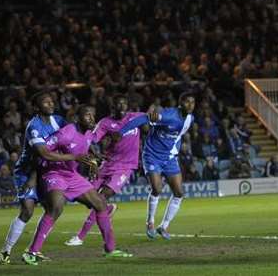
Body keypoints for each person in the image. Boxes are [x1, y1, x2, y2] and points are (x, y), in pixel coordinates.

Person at [22, 105, 133, 265]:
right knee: (56, 207)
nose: (92, 119)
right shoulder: (66, 132)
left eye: (93, 115)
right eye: (87, 115)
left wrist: (93, 160)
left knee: (100, 203)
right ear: (77, 118)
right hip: (55, 172)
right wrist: (34, 176)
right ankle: (32, 252)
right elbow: (43, 152)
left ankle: (110, 249)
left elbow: (85, 148)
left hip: (72, 176)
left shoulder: (89, 133)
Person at [65, 94, 150, 247]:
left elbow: (151, 118)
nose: (122, 107)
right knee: (89, 198)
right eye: (119, 104)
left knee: (101, 197)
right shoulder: (105, 123)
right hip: (107, 164)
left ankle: (80, 237)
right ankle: (108, 209)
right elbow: (92, 137)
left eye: (124, 104)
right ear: (113, 107)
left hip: (125, 166)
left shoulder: (135, 118)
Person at [0, 91, 71, 265]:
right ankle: (5, 251)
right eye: (46, 102)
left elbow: (71, 138)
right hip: (27, 171)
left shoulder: (59, 121)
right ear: (37, 107)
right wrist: (32, 178)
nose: (51, 104)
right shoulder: (34, 126)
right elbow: (41, 155)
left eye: (51, 101)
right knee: (27, 210)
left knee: (55, 208)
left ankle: (33, 250)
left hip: (46, 170)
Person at [120, 92, 195, 241]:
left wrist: (175, 150)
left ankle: (164, 226)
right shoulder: (168, 115)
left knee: (179, 193)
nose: (191, 105)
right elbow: (143, 118)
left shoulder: (190, 119)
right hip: (152, 155)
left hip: (169, 158)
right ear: (180, 103)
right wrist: (120, 132)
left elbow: (178, 136)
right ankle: (150, 223)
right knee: (157, 189)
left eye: (193, 102)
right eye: (187, 102)